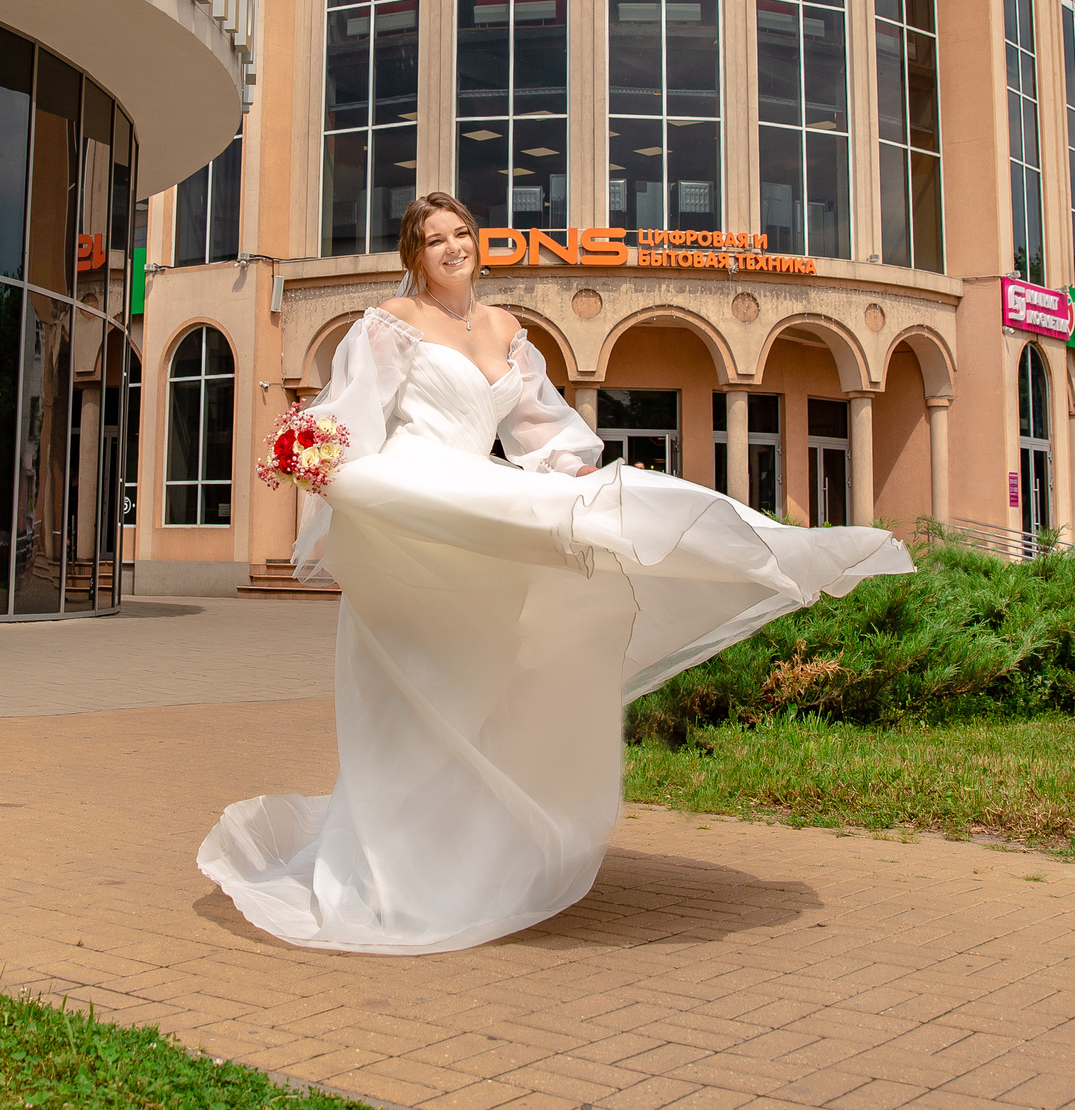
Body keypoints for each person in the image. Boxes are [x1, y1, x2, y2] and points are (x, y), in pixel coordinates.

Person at [198, 192, 913, 955]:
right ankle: (383, 875)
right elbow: (353, 412)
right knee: (415, 688)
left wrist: (578, 474)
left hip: (480, 508)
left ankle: (460, 857)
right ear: (415, 254)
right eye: (434, 239)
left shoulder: (507, 329)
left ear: (478, 241)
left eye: (461, 233)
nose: (452, 247)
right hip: (420, 504)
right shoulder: (393, 322)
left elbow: (537, 427)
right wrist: (320, 458)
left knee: (483, 682)